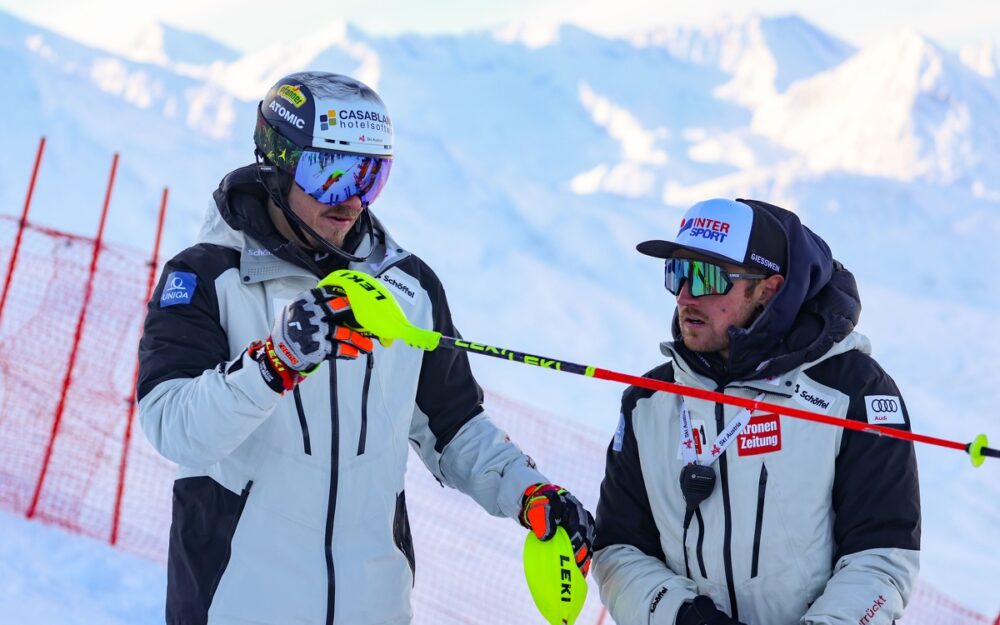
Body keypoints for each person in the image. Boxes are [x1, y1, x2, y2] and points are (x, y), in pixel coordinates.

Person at [137, 71, 595, 625]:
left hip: (372, 606)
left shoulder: (408, 287)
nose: (351, 199)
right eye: (329, 174)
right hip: (236, 604)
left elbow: (453, 425)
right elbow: (174, 427)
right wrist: (276, 362)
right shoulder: (207, 276)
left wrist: (528, 491)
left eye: (370, 176)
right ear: (277, 165)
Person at [591, 198, 920, 625]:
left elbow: (883, 556)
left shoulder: (853, 390)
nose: (686, 296)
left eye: (708, 277)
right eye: (677, 273)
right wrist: (681, 617)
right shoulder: (647, 402)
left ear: (769, 289)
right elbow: (619, 548)